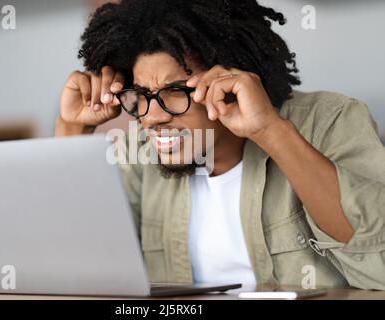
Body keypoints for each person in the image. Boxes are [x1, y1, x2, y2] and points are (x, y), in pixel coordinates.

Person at [55, 0, 385, 289]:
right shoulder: (139, 155)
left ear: (231, 78)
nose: (151, 117)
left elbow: (378, 266)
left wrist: (270, 129)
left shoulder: (330, 120)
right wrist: (72, 128)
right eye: (141, 95)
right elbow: (74, 263)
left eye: (177, 90)